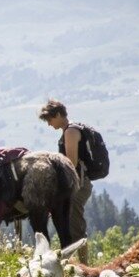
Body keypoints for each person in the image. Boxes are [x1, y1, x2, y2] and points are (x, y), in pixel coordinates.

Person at [39, 99, 91, 263]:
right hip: (80, 182)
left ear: (59, 114)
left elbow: (71, 163)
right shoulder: (71, 130)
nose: (49, 124)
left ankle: (82, 266)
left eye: (50, 119)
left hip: (78, 184)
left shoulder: (70, 132)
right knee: (72, 225)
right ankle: (77, 262)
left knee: (75, 227)